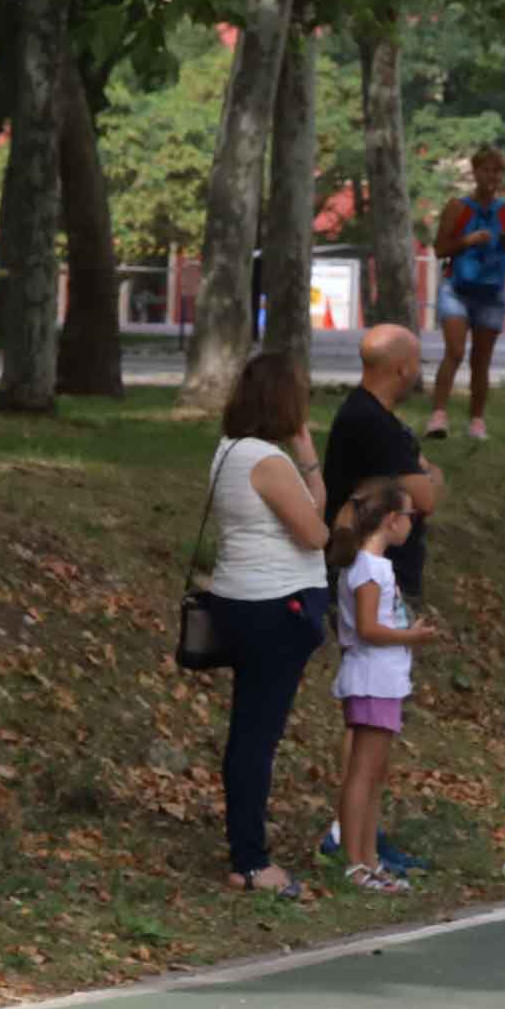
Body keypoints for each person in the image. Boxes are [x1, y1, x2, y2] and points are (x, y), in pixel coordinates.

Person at [202, 350, 331, 899]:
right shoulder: (265, 461)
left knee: (250, 730)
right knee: (257, 736)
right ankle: (251, 861)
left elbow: (311, 508)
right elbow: (317, 534)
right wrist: (300, 460)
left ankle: (246, 850)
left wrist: (308, 457)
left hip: (240, 600)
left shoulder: (232, 452)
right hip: (274, 608)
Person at [316, 322, 443, 873]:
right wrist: (425, 480)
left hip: (391, 582)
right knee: (366, 731)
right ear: (400, 368)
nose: (419, 371)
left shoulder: (381, 422)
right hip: (379, 588)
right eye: (416, 362)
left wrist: (424, 480)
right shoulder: (368, 422)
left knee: (379, 730)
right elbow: (427, 493)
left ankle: (363, 833)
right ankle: (350, 837)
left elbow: (423, 490)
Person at [323, 478, 441, 896]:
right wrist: (413, 636)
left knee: (374, 775)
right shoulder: (370, 568)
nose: (412, 523)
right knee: (362, 774)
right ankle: (356, 864)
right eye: (410, 515)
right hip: (373, 677)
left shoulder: (368, 566)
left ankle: (369, 859)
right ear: (392, 520)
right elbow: (370, 628)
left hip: (381, 678)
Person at [425, 146, 505, 441]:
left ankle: (477, 422)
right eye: (486, 170)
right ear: (475, 172)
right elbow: (440, 249)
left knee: (481, 360)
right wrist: (467, 240)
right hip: (457, 290)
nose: (491, 176)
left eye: (497, 171)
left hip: (491, 294)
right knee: (454, 351)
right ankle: (438, 417)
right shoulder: (458, 207)